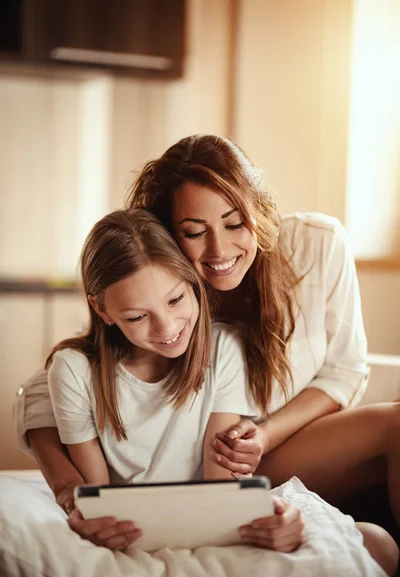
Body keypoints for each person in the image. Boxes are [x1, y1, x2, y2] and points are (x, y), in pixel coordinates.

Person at [13, 140, 399, 574]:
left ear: (258, 212)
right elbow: (60, 379)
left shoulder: (318, 245)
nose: (219, 250)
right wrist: (67, 484)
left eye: (236, 223)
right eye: (194, 232)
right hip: (220, 459)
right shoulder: (167, 291)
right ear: (167, 237)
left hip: (276, 441)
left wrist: (266, 435)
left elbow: (345, 371)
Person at [32, 207, 304, 554]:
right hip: (131, 533)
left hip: (209, 521)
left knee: (375, 542)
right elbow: (101, 499)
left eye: (175, 299)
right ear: (102, 311)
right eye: (137, 316)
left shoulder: (224, 349)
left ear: (192, 282)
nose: (167, 328)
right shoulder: (72, 371)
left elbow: (219, 485)